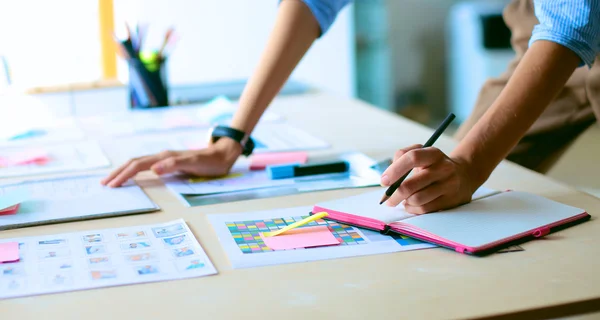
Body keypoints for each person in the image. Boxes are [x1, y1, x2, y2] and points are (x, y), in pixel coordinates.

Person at [102, 0, 600, 214]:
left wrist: (471, 163)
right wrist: (231, 137)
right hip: (542, 40)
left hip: (567, 29)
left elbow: (575, 19)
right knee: (437, 198)